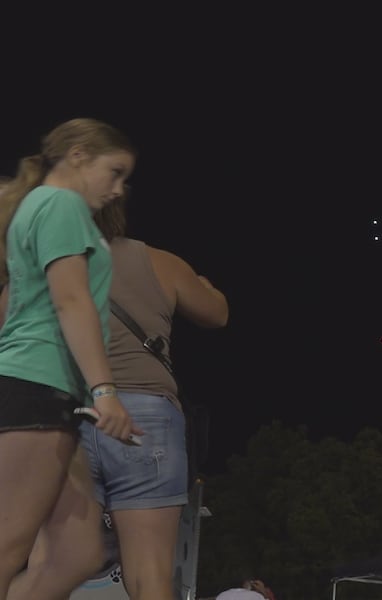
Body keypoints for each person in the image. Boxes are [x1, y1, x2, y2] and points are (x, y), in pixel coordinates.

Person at [21, 193, 229, 599]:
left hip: (65, 419)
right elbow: (217, 314)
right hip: (145, 418)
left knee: (46, 566)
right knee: (149, 575)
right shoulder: (160, 262)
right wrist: (202, 285)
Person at [0, 118, 141, 600]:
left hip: (49, 391)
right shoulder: (61, 203)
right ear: (78, 155)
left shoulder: (40, 204)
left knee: (77, 554)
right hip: (35, 383)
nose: (118, 189)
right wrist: (106, 390)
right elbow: (72, 301)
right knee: (8, 544)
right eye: (115, 172)